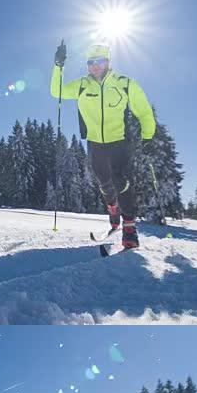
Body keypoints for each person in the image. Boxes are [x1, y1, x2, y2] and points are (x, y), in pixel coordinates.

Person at [51, 41, 156, 249]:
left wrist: (148, 136)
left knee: (121, 181)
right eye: (91, 62)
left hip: (119, 141)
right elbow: (57, 91)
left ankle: (129, 228)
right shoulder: (82, 85)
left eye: (99, 61)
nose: (95, 66)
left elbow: (143, 111)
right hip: (95, 144)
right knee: (103, 181)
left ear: (108, 61)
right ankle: (112, 207)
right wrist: (58, 65)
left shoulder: (125, 83)